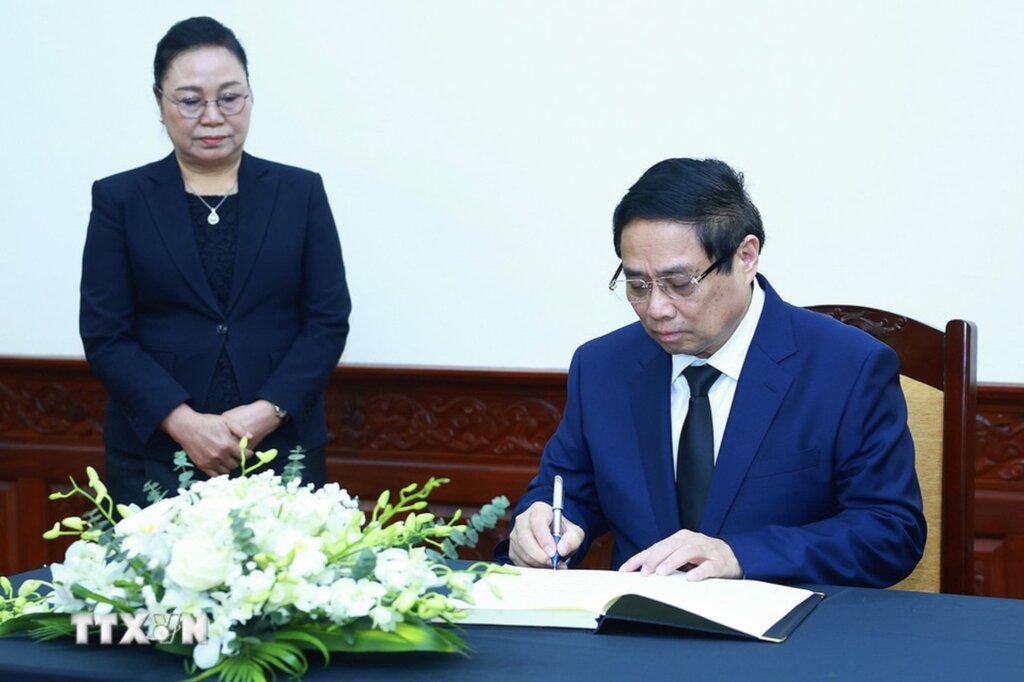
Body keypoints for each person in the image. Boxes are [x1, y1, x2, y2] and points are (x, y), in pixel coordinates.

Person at [499, 158, 926, 587]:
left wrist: (739, 555)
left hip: (787, 639)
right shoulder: (603, 367)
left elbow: (889, 531)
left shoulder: (847, 367)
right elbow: (566, 491)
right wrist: (540, 525)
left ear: (745, 257)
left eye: (680, 283)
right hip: (637, 637)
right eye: (637, 284)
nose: (656, 309)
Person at [79, 17, 351, 507]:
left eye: (230, 97)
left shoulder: (299, 192)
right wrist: (184, 423)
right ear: (160, 102)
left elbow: (327, 322)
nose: (212, 116)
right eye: (190, 100)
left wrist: (265, 413)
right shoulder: (121, 199)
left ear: (249, 97)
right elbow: (105, 333)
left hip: (279, 447)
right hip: (156, 453)